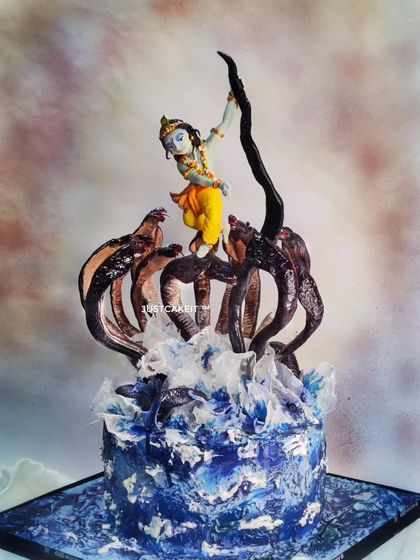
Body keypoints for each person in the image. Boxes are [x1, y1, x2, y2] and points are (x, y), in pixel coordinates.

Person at [159, 91, 238, 258]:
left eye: (179, 138)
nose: (176, 146)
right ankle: (222, 228)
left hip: (211, 189)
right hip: (196, 191)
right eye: (170, 146)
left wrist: (233, 98)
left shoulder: (207, 147)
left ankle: (208, 242)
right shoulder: (181, 164)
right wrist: (218, 183)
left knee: (213, 211)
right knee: (189, 220)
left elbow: (225, 123)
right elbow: (196, 178)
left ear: (189, 134)